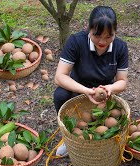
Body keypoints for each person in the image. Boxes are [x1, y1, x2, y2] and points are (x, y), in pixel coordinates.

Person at [53, 6, 129, 156]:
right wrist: (86, 91)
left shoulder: (120, 47)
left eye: (109, 36)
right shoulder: (76, 42)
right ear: (89, 29)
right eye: (97, 35)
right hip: (78, 87)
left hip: (104, 93)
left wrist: (110, 88)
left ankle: (105, 141)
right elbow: (59, 77)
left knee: (112, 117)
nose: (102, 41)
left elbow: (122, 81)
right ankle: (69, 138)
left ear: (115, 32)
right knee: (60, 95)